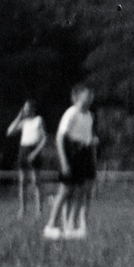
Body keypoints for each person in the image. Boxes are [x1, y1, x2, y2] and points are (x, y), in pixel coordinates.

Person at [44, 84, 96, 240]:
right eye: (88, 95)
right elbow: (60, 138)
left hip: (84, 153)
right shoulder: (71, 113)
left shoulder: (89, 115)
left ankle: (71, 225)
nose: (91, 97)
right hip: (71, 152)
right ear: (79, 97)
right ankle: (50, 225)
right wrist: (64, 161)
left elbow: (87, 138)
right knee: (65, 190)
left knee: (81, 190)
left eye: (92, 95)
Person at [7, 102, 48, 217]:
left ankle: (39, 210)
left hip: (34, 148)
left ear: (33, 109)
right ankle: (22, 209)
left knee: (36, 181)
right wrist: (19, 117)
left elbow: (45, 138)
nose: (26, 110)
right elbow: (9, 132)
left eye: (28, 108)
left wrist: (35, 153)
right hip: (23, 149)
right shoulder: (23, 122)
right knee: (22, 181)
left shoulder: (39, 120)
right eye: (24, 108)